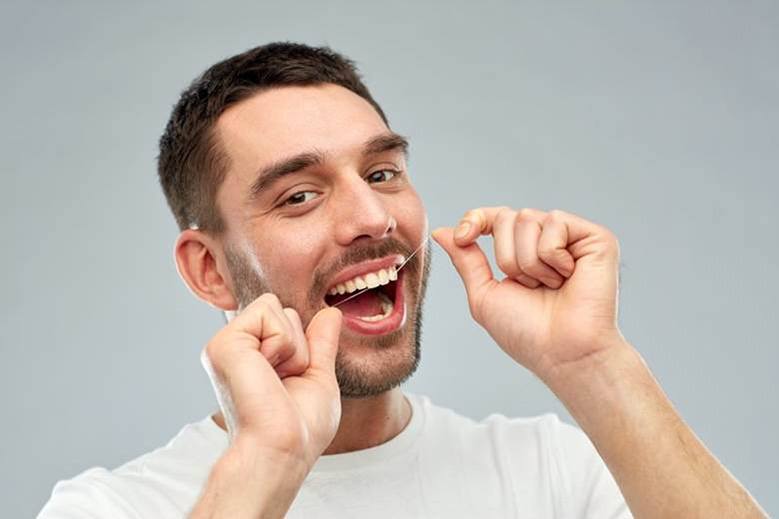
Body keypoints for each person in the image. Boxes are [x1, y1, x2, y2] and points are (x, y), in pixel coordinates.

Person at [38, 42, 767, 518]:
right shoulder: (110, 506)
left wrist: (594, 366)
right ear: (208, 269)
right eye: (299, 194)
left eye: (382, 173)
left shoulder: (550, 472)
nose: (371, 216)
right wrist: (266, 463)